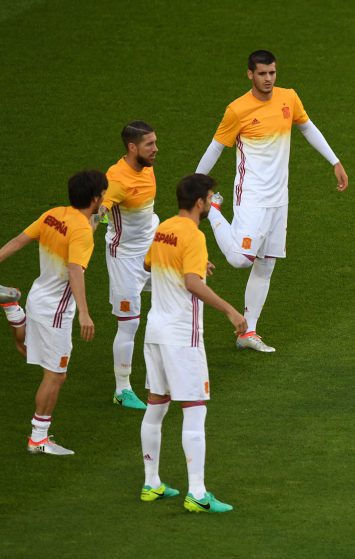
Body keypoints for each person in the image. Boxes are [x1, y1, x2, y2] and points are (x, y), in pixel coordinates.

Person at [195, 49, 349, 353]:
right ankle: (214, 210)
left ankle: (248, 332)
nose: (268, 79)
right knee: (241, 259)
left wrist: (334, 161)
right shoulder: (237, 110)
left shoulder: (288, 98)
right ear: (250, 74)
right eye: (262, 73)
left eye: (273, 73)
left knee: (266, 263)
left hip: (280, 197)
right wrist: (194, 185)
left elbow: (307, 127)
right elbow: (216, 148)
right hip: (250, 194)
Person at [139, 174, 247, 513]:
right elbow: (190, 283)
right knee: (194, 409)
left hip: (154, 330)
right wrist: (230, 310)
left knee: (156, 405)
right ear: (201, 203)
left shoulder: (165, 228)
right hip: (181, 335)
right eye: (211, 197)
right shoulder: (194, 235)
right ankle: (197, 493)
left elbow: (149, 263)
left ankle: (151, 483)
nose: (212, 201)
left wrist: (196, 265)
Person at [0, 170, 106, 455]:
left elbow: (19, 241)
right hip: (56, 313)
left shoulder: (54, 214)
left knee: (28, 350)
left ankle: (13, 311)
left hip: (37, 299)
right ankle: (38, 438)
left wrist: (96, 218)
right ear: (95, 198)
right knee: (56, 375)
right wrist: (84, 313)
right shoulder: (82, 230)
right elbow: (75, 270)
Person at [102, 121, 159, 410]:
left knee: (179, 292)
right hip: (125, 258)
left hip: (151, 248)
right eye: (149, 144)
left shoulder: (146, 166)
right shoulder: (116, 179)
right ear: (132, 147)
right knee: (130, 322)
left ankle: (160, 369)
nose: (155, 149)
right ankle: (122, 388)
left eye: (155, 142)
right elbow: (98, 210)